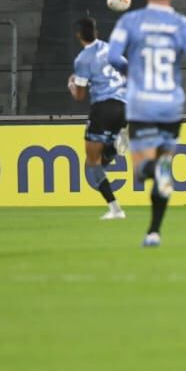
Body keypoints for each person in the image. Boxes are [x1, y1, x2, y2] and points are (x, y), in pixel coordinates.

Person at [106, 0, 186, 248]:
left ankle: (151, 168)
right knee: (165, 164)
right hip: (171, 105)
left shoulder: (130, 21)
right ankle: (154, 232)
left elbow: (113, 57)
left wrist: (131, 71)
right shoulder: (184, 25)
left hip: (141, 104)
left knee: (141, 170)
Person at [69, 17, 128, 221]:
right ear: (96, 32)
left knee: (92, 164)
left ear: (78, 35)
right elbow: (126, 70)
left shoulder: (83, 59)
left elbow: (79, 96)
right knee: (102, 159)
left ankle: (115, 209)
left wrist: (72, 84)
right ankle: (115, 143)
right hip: (123, 106)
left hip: (103, 107)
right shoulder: (111, 49)